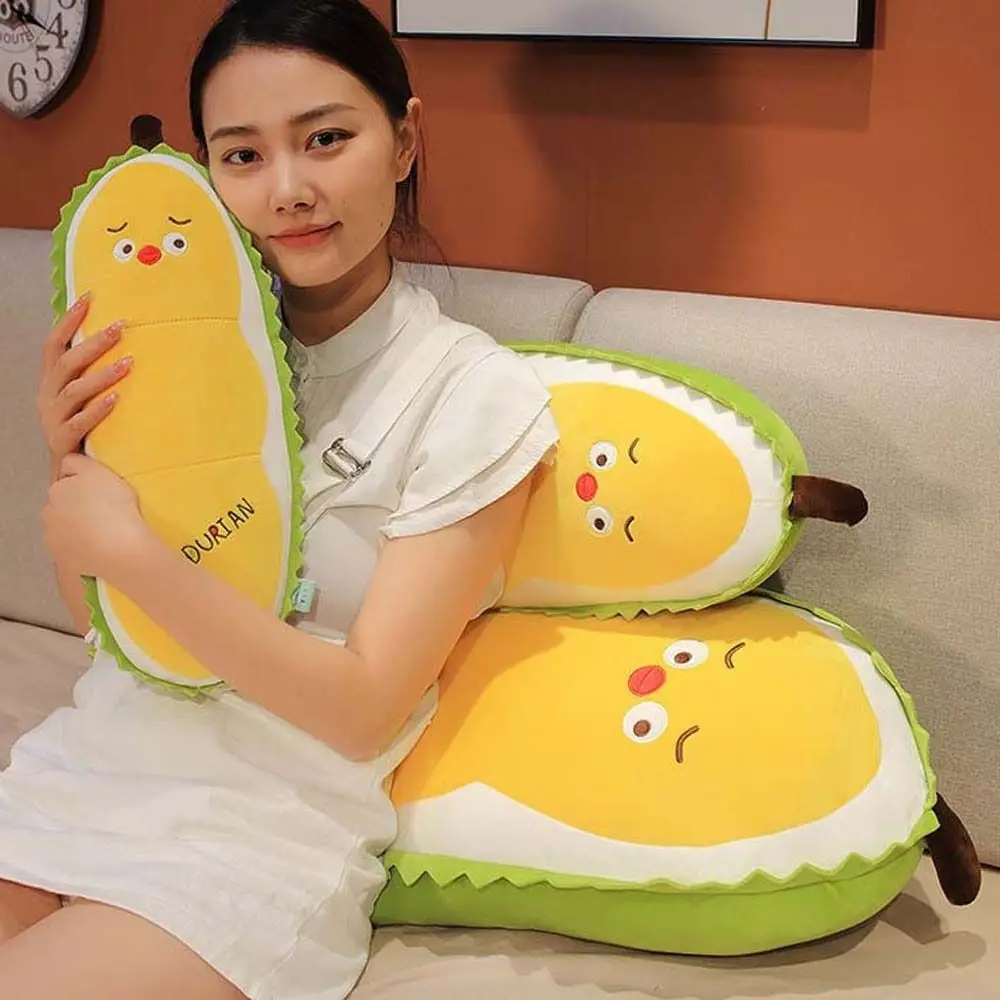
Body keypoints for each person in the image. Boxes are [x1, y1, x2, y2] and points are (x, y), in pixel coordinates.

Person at [0, 1, 559, 997]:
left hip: (257, 832)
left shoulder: (471, 395)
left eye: (326, 139)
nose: (289, 189)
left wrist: (135, 554)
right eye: (243, 155)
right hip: (82, 771)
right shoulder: (160, 348)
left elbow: (363, 710)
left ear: (404, 141)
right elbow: (105, 630)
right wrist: (68, 458)